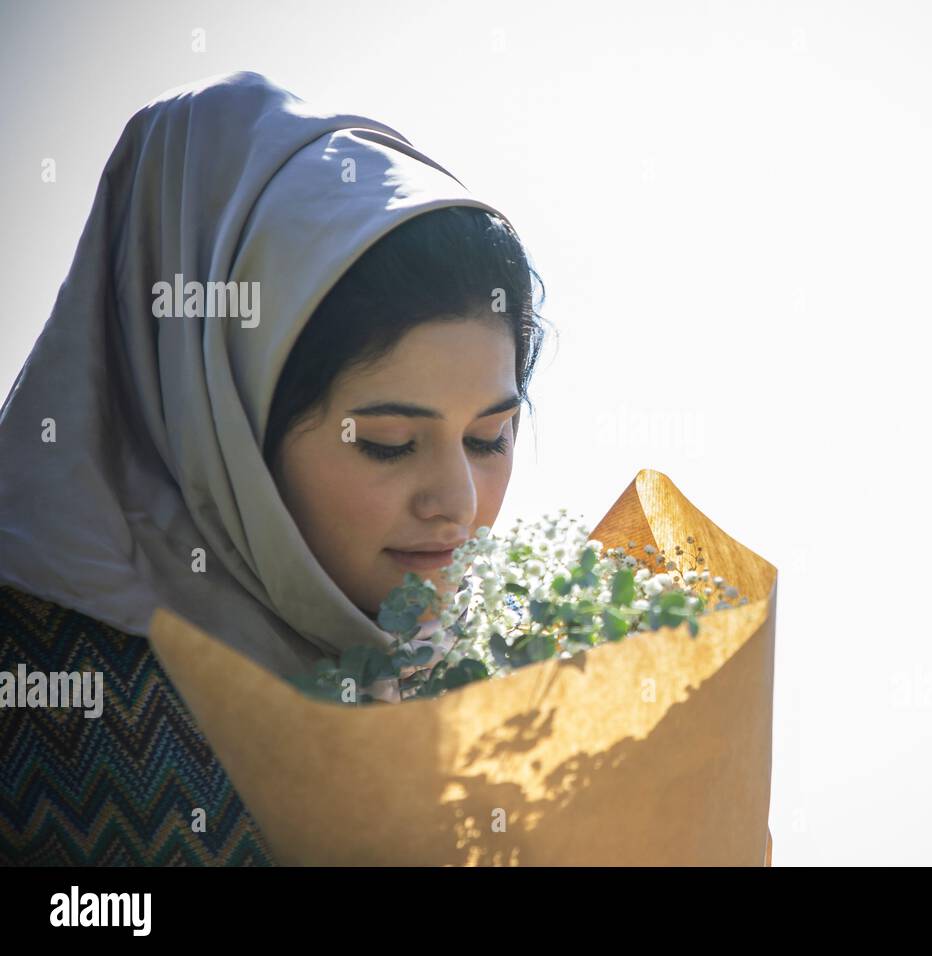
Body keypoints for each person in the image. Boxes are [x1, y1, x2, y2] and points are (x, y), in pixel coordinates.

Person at [0, 71, 547, 865]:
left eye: (489, 438)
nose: (458, 505)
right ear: (222, 424)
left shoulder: (483, 682)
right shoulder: (58, 706)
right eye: (389, 442)